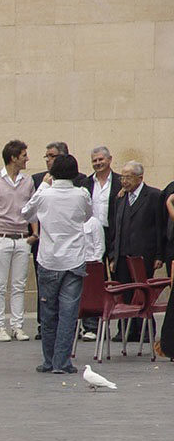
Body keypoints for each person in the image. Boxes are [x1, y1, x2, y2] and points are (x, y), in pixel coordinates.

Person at [20, 154, 93, 374]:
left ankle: (49, 360)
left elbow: (26, 214)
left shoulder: (45, 194)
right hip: (74, 259)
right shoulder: (82, 194)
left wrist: (43, 186)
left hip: (49, 259)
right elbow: (87, 216)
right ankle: (62, 361)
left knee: (49, 312)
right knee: (68, 313)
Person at [0, 139, 35, 343]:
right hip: (1, 238)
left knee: (19, 285)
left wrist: (34, 234)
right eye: (23, 155)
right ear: (13, 157)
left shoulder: (28, 181)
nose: (27, 159)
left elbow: (33, 209)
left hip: (22, 238)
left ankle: (17, 326)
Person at [109, 160, 167, 341]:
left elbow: (160, 227)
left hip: (144, 254)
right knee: (124, 293)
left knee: (143, 294)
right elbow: (114, 228)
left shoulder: (154, 196)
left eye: (128, 177)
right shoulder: (120, 198)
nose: (124, 181)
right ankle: (125, 330)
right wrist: (112, 255)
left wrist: (159, 255)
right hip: (122, 253)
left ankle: (145, 331)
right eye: (122, 177)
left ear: (140, 178)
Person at [78, 146, 121, 341]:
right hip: (91, 234)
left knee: (117, 278)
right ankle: (93, 326)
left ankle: (121, 324)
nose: (98, 163)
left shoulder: (121, 181)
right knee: (93, 281)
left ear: (110, 159)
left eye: (101, 159)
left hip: (113, 233)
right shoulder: (85, 183)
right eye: (94, 160)